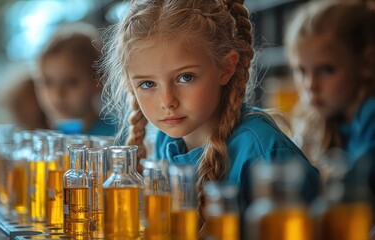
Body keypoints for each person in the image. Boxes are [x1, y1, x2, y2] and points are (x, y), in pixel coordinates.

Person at [100, 0, 321, 232]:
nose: (167, 102)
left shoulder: (265, 152)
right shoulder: (166, 141)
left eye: (185, 77)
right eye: (147, 83)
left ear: (226, 68)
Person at [285, 0, 375, 193]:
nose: (310, 85)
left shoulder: (370, 115)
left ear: (367, 63)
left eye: (326, 69)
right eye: (301, 71)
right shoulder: (331, 119)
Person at [35, 22, 116, 135]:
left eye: (71, 82)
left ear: (98, 81)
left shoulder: (117, 138)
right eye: (48, 82)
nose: (58, 93)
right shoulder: (51, 139)